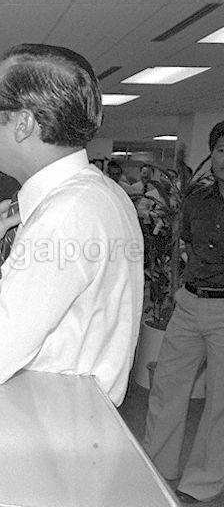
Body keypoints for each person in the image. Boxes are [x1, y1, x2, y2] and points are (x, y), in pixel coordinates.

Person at [0, 43, 143, 405]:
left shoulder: (65, 215)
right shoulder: (102, 193)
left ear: (22, 124)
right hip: (68, 417)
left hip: (51, 431)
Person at [143, 120, 224, 504]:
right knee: (167, 387)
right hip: (190, 304)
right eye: (222, 151)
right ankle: (156, 470)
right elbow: (188, 246)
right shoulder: (196, 202)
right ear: (214, 156)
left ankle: (202, 483)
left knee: (221, 404)